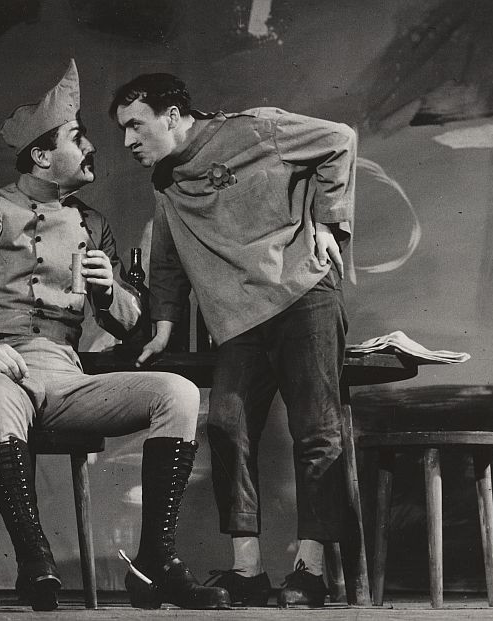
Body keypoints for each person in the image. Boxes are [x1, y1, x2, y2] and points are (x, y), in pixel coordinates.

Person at [0, 60, 230, 612]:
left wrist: (111, 292)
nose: (92, 147)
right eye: (77, 136)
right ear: (42, 155)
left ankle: (156, 562)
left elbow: (131, 326)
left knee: (178, 393)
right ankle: (35, 559)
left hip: (66, 376)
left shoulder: (94, 224)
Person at [109, 73, 357, 608]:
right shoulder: (164, 180)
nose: (128, 140)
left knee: (316, 430)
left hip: (303, 295)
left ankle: (310, 570)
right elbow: (167, 254)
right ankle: (248, 571)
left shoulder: (256, 129)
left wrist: (328, 223)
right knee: (227, 428)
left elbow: (340, 139)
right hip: (239, 321)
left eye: (136, 125)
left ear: (172, 115)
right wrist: (164, 323)